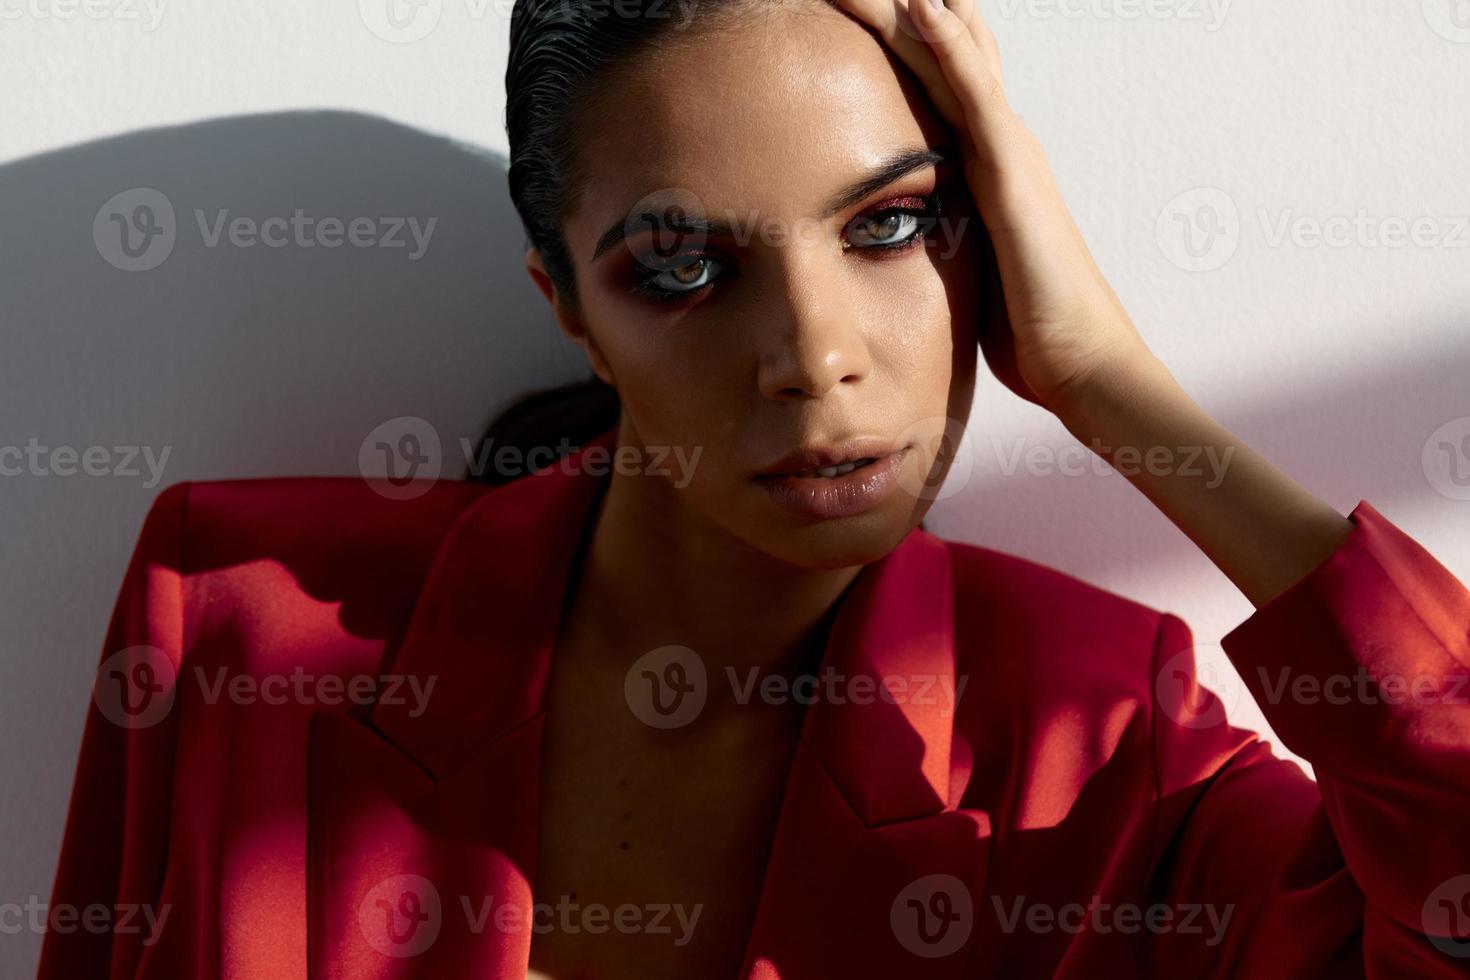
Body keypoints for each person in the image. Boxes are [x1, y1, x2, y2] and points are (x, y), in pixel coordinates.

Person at [39, 0, 1470, 977]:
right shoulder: (233, 614)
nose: (811, 358)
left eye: (890, 226)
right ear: (567, 305)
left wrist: (1110, 383)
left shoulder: (1098, 743)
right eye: (682, 268)